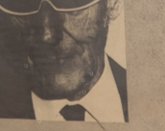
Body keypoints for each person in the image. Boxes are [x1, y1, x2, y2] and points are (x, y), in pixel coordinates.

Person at [0, 0, 128, 122]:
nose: (47, 35)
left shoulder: (143, 100)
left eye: (72, 2)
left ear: (112, 4)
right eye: (24, 2)